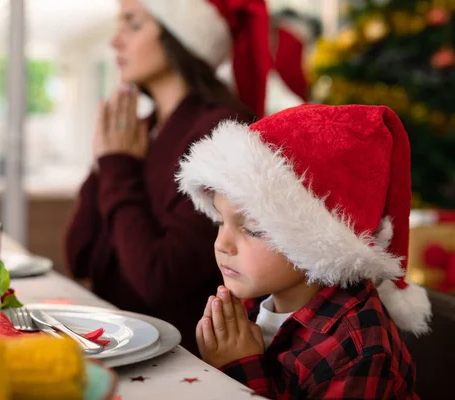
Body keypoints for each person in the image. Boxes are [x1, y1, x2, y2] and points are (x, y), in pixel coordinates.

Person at [176, 104, 432, 398]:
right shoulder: (253, 296)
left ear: (314, 238)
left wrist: (237, 368)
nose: (222, 244)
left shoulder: (357, 350)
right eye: (220, 221)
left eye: (253, 229)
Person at [64, 0, 270, 354]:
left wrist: (116, 167)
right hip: (112, 340)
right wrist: (104, 163)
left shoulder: (222, 130)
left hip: (179, 357)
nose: (115, 41)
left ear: (178, 35)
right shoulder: (138, 132)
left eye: (132, 23)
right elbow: (79, 254)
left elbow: (159, 279)